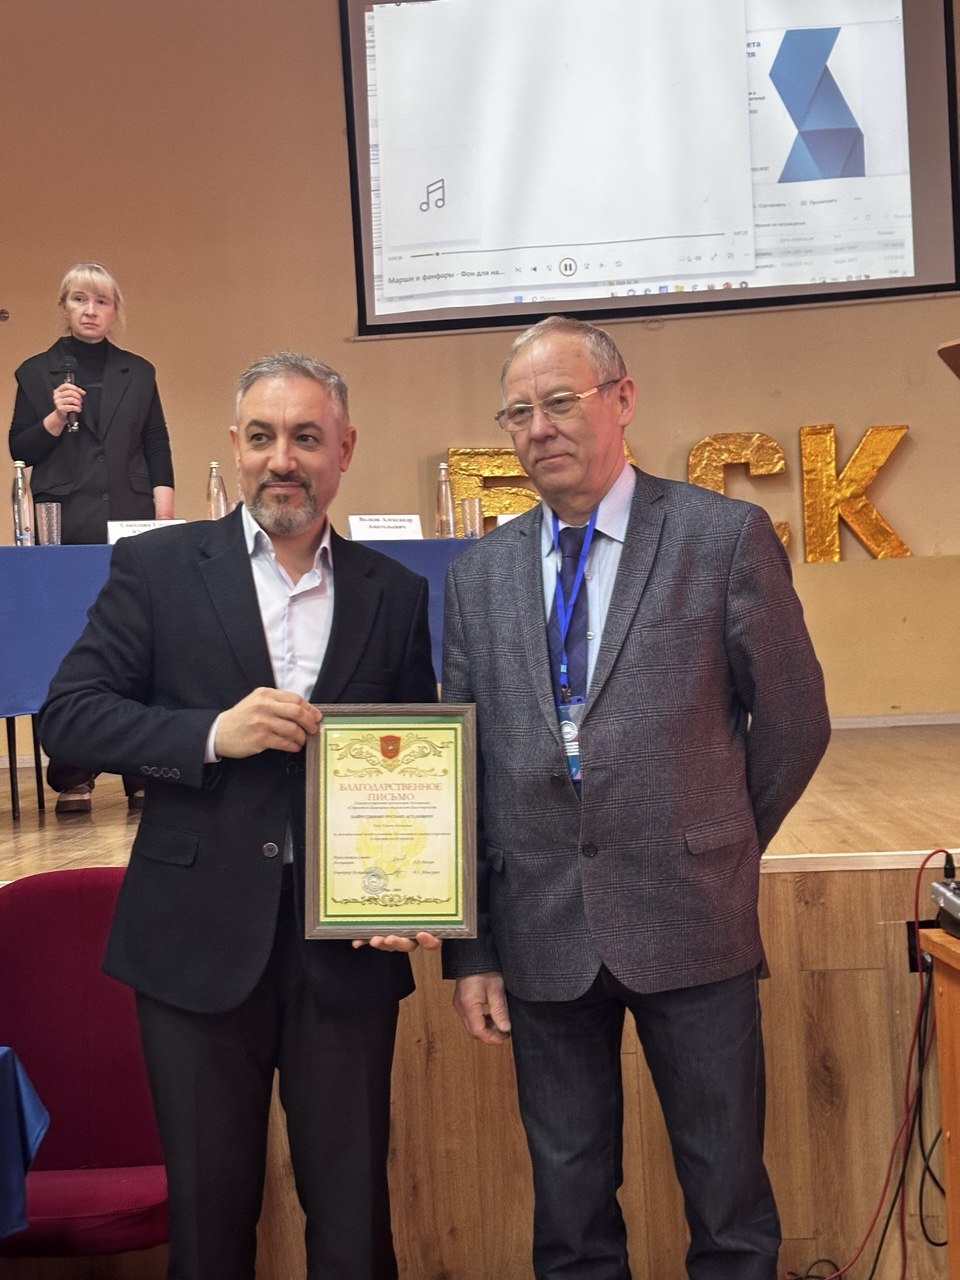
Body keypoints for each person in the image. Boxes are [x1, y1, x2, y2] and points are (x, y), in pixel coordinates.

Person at [441, 316, 831, 1280]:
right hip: (540, 935)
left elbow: (794, 720)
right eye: (519, 412)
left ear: (622, 399)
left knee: (729, 1207)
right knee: (570, 1223)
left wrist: (718, 839)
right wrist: (472, 948)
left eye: (560, 401)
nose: (540, 427)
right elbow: (465, 771)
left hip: (691, 916)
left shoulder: (720, 537)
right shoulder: (477, 576)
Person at [40, 351, 439, 1280]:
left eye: (306, 437)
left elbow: (415, 759)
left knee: (355, 1229)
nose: (282, 459)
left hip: (346, 949)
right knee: (210, 1231)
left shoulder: (394, 592)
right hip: (192, 945)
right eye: (262, 437)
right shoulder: (158, 568)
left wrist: (413, 886)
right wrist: (212, 733)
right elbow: (70, 717)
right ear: (235, 446)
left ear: (344, 449)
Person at [10, 261, 175, 813]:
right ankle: (73, 771)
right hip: (65, 522)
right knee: (68, 645)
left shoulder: (139, 371)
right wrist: (55, 418)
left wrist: (163, 511)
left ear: (114, 310)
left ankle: (141, 768)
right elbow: (21, 449)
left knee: (137, 641)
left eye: (101, 301)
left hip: (129, 517)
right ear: (64, 306)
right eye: (80, 299)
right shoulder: (36, 372)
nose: (90, 311)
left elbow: (156, 442)